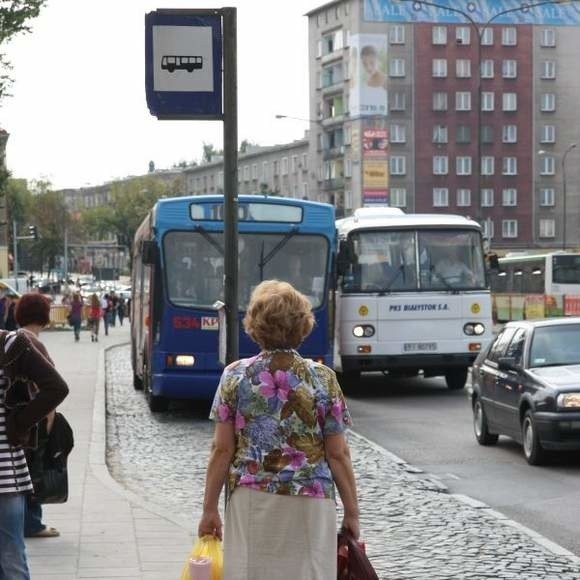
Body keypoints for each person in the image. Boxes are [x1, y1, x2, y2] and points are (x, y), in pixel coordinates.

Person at [198, 280, 360, 580]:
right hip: (311, 500)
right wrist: (352, 512)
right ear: (303, 325)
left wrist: (209, 509)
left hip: (252, 498)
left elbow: (221, 450)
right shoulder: (323, 379)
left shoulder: (235, 376)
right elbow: (338, 454)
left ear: (255, 325)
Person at [0, 327, 69, 579]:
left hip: (5, 475)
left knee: (10, 557)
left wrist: (20, 422)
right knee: (10, 556)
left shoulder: (10, 344)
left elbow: (56, 387)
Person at [14, 293, 60, 539]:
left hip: (17, 415)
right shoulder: (34, 342)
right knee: (33, 469)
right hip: (33, 418)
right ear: (44, 316)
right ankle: (32, 523)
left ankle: (25, 521)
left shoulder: (13, 338)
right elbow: (49, 387)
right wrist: (49, 422)